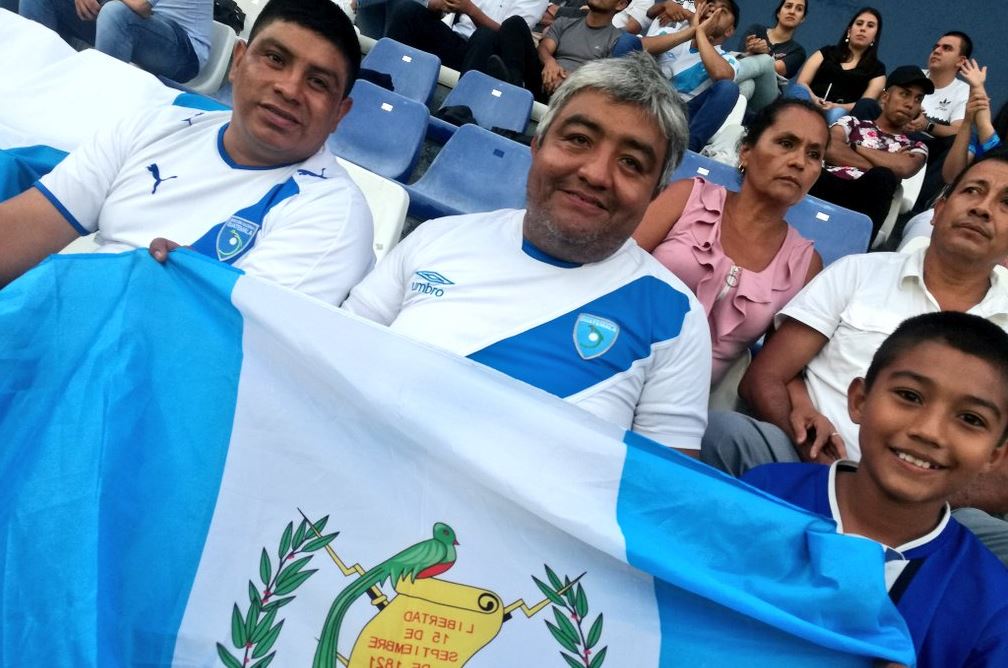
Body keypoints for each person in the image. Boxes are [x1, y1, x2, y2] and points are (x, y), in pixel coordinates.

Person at [343, 53, 713, 454]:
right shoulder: (436, 238)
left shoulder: (676, 318)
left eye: (631, 162)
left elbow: (658, 484)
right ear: (537, 145)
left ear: (654, 193)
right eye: (579, 139)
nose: (595, 174)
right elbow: (335, 353)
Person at [701, 151, 1008, 563]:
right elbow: (765, 377)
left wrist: (910, 494)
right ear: (937, 210)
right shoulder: (858, 273)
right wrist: (807, 437)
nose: (983, 208)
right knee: (723, 435)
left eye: (1006, 203)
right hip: (808, 464)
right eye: (972, 191)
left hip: (935, 511)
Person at [0, 0, 375, 307]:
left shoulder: (331, 214)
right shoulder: (155, 127)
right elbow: (24, 227)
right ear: (238, 62)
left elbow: (223, 344)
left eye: (317, 82)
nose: (289, 89)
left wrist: (177, 298)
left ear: (339, 114)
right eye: (276, 59)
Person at [743, 312, 1008, 668]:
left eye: (971, 419)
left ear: (994, 456)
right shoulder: (763, 495)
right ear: (859, 400)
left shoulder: (991, 606)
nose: (929, 431)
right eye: (909, 396)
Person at [634, 98, 826, 384]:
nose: (799, 162)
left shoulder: (805, 264)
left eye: (814, 155)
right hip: (610, 358)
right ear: (746, 152)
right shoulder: (687, 199)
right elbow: (612, 269)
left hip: (689, 398)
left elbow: (772, 373)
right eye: (786, 143)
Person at [809, 65, 930, 242]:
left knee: (883, 177)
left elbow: (905, 168)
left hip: (863, 202)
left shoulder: (916, 146)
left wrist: (854, 146)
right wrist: (889, 162)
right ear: (885, 97)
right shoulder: (851, 122)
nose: (910, 104)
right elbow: (829, 148)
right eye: (905, 94)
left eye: (918, 99)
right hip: (827, 184)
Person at [19, 0, 212, 83]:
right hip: (131, 25)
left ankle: (99, 103)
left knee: (115, 13)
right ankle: (37, 80)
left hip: (184, 53)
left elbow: (141, 5)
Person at [641, 0, 741, 152]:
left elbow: (722, 75)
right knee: (626, 41)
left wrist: (700, 33)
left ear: (729, 31)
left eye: (723, 11)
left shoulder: (727, 59)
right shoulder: (669, 34)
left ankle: (686, 153)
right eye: (711, 4)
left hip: (680, 118)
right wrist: (693, 30)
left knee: (728, 89)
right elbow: (637, 46)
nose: (714, 10)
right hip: (645, 102)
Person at [483, 0, 627, 102]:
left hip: (574, 94)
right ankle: (514, 86)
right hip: (543, 80)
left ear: (620, 4)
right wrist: (550, 62)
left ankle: (509, 88)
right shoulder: (565, 22)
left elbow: (604, 80)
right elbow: (544, 47)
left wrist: (569, 78)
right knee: (515, 23)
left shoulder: (618, 40)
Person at [905, 31, 974, 212]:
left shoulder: (963, 91)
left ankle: (917, 208)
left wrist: (927, 125)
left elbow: (958, 130)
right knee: (867, 106)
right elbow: (884, 104)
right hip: (899, 135)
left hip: (931, 149)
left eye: (946, 48)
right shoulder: (913, 75)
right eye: (936, 47)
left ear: (960, 61)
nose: (937, 51)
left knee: (957, 143)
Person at [383, 0, 548, 73]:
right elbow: (449, 10)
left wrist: (470, 10)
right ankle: (383, 73)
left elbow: (512, 37)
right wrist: (439, 5)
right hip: (458, 40)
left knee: (485, 36)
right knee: (408, 10)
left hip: (490, 57)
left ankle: (460, 109)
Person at [791, 6, 885, 124]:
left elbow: (864, 105)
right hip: (811, 102)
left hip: (842, 115)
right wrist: (814, 99)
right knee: (797, 90)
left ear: (875, 37)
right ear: (849, 31)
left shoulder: (877, 70)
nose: (863, 29)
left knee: (838, 113)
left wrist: (834, 106)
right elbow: (802, 82)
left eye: (870, 26)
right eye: (859, 23)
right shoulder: (826, 52)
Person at [735, 0, 808, 112]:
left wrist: (765, 52)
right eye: (788, 6)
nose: (792, 11)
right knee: (748, 85)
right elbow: (742, 57)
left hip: (768, 97)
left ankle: (727, 75)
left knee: (766, 61)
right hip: (744, 81)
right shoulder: (756, 30)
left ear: (802, 19)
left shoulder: (798, 51)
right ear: (778, 13)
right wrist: (752, 50)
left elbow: (774, 68)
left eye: (799, 9)